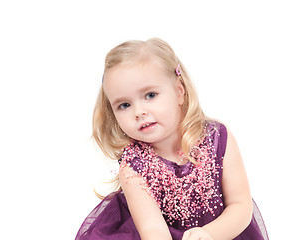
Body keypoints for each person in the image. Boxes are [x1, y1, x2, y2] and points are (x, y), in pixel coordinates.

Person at [76, 38, 268, 240]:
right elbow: (153, 229)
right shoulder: (132, 166)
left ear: (179, 92)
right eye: (124, 105)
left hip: (220, 233)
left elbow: (241, 205)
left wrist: (209, 234)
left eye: (150, 95)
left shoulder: (217, 138)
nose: (139, 112)